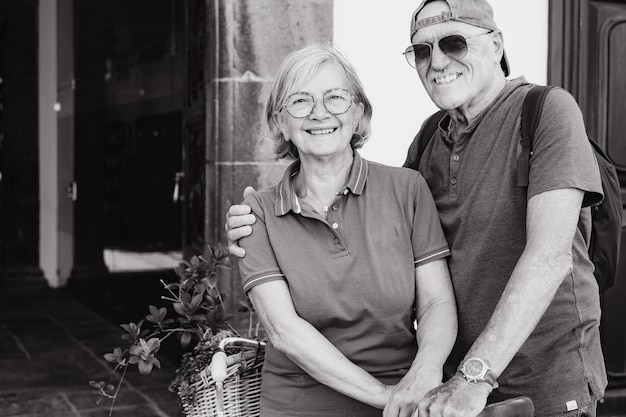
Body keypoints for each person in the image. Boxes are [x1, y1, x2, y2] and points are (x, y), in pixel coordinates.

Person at [226, 1, 609, 416]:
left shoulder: (546, 111)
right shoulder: (430, 138)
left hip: (541, 380)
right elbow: (381, 228)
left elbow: (548, 258)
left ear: (496, 45)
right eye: (422, 51)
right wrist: (257, 222)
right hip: (450, 391)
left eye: (454, 43)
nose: (437, 61)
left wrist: (472, 377)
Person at [234, 43, 457, 417]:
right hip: (300, 404)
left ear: (359, 114)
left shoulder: (408, 190)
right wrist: (385, 398)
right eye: (300, 101)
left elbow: (436, 302)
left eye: (335, 98)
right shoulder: (257, 213)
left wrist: (422, 377)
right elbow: (284, 330)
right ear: (279, 122)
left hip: (407, 393)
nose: (319, 113)